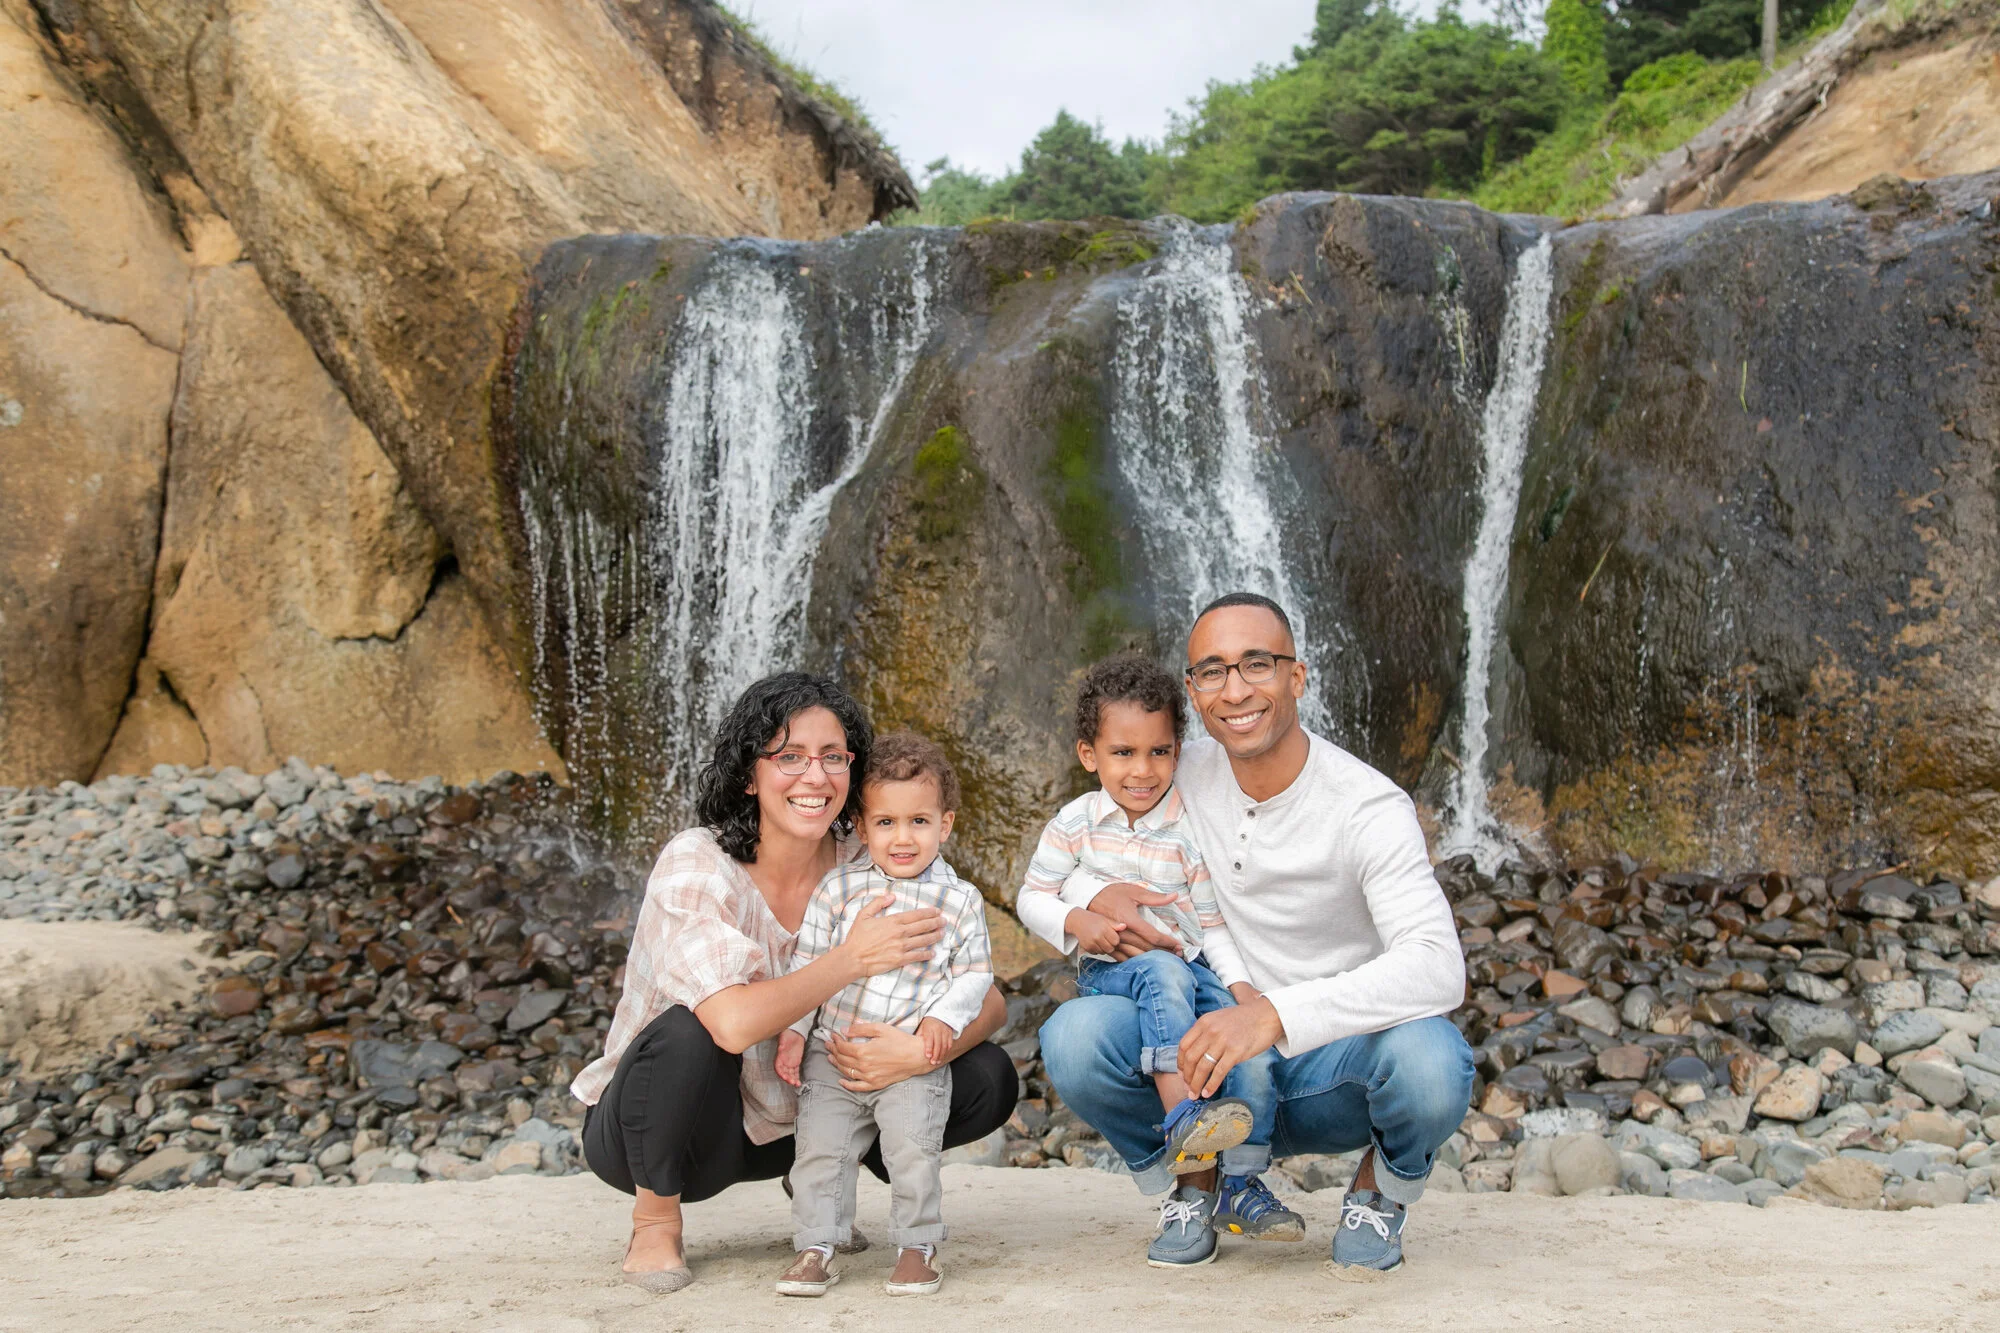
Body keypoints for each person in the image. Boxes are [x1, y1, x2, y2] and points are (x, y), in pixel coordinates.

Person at [1024, 594, 1473, 1273]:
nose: (1235, 689)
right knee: (1073, 1035)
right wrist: (1094, 893)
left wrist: (1271, 1015)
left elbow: (1439, 966)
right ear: (1193, 692)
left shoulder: (1368, 806)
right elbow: (1083, 853)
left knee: (1435, 1062)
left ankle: (1379, 1193)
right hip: (1206, 1060)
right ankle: (1197, 1176)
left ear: (1297, 675)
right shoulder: (1171, 768)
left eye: (1256, 664)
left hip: (1330, 1068)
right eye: (1213, 670)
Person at [570, 673, 1016, 1294]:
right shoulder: (698, 862)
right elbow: (730, 1023)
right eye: (790, 757)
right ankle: (655, 1218)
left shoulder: (875, 854)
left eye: (834, 757)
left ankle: (819, 1179)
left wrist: (916, 1051)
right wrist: (851, 958)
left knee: (987, 1074)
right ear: (749, 774)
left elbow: (988, 1000)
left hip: (806, 1111)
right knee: (686, 1031)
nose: (816, 777)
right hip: (675, 1132)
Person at [1017, 652, 1302, 1265]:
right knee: (1162, 969)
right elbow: (1030, 896)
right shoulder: (1074, 824)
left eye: (1159, 752)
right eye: (1123, 753)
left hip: (1192, 968)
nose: (1143, 770)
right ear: (1089, 755)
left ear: (1178, 748)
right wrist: (1080, 920)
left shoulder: (1189, 830)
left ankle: (1243, 1184)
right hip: (1117, 973)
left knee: (1238, 1036)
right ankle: (1184, 1119)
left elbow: (1211, 923)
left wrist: (1243, 989)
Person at [774, 732, 991, 1297]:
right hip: (834, 1052)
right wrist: (795, 1034)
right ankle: (817, 1247)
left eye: (919, 822)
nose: (903, 837)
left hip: (911, 1055)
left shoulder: (961, 900)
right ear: (862, 828)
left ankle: (917, 1246)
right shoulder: (839, 889)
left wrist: (941, 1021)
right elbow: (810, 963)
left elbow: (974, 975)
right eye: (886, 823)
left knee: (913, 1146)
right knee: (821, 1149)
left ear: (944, 825)